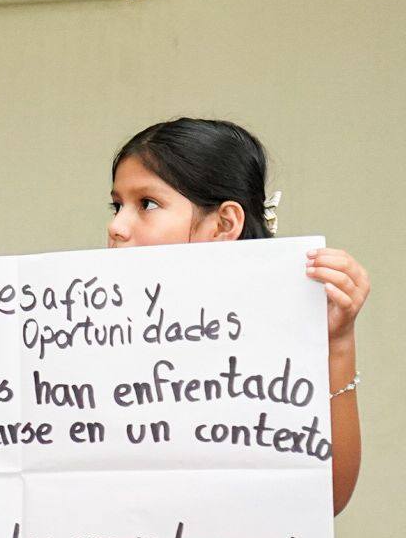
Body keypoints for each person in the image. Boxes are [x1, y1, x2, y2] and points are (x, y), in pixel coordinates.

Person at [108, 117, 369, 513]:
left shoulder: (280, 335)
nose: (117, 226)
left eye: (147, 204)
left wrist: (338, 344)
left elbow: (325, 500)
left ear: (224, 223)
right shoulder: (89, 332)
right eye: (117, 205)